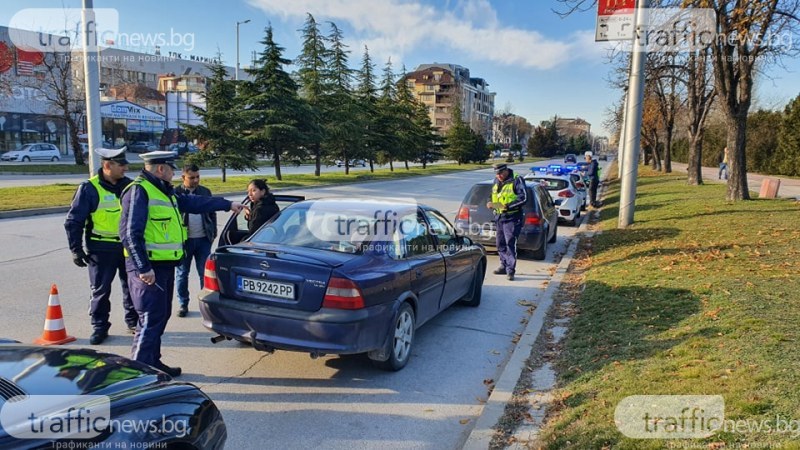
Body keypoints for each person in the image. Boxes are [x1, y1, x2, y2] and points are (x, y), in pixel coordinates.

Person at [120, 151, 245, 377]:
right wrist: (143, 267)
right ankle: (136, 376)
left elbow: (194, 202)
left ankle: (153, 363)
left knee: (160, 316)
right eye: (171, 167)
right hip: (149, 269)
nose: (175, 171)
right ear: (160, 169)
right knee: (149, 320)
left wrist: (228, 204)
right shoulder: (139, 190)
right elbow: (129, 233)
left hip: (164, 266)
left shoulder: (164, 191)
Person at [64, 147, 138, 345]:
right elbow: (74, 221)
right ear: (107, 165)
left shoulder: (130, 187)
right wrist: (76, 249)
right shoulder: (89, 188)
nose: (126, 167)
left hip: (127, 248)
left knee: (131, 287)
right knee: (100, 290)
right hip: (100, 249)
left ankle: (133, 323)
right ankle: (99, 326)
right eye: (121, 165)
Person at [174, 164, 216, 318]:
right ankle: (183, 304)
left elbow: (212, 213)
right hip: (183, 241)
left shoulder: (205, 192)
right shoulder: (176, 193)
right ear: (183, 177)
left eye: (198, 176)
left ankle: (205, 304)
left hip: (203, 240)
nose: (196, 180)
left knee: (204, 274)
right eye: (192, 177)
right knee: (182, 274)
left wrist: (212, 234)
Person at [485, 163, 527, 281]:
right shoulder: (496, 180)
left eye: (500, 173)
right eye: (496, 174)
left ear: (506, 171)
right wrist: (489, 202)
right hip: (499, 217)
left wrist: (508, 206)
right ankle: (503, 266)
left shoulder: (516, 180)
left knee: (510, 243)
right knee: (500, 243)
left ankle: (510, 270)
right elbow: (492, 194)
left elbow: (523, 198)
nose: (498, 176)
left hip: (512, 217)